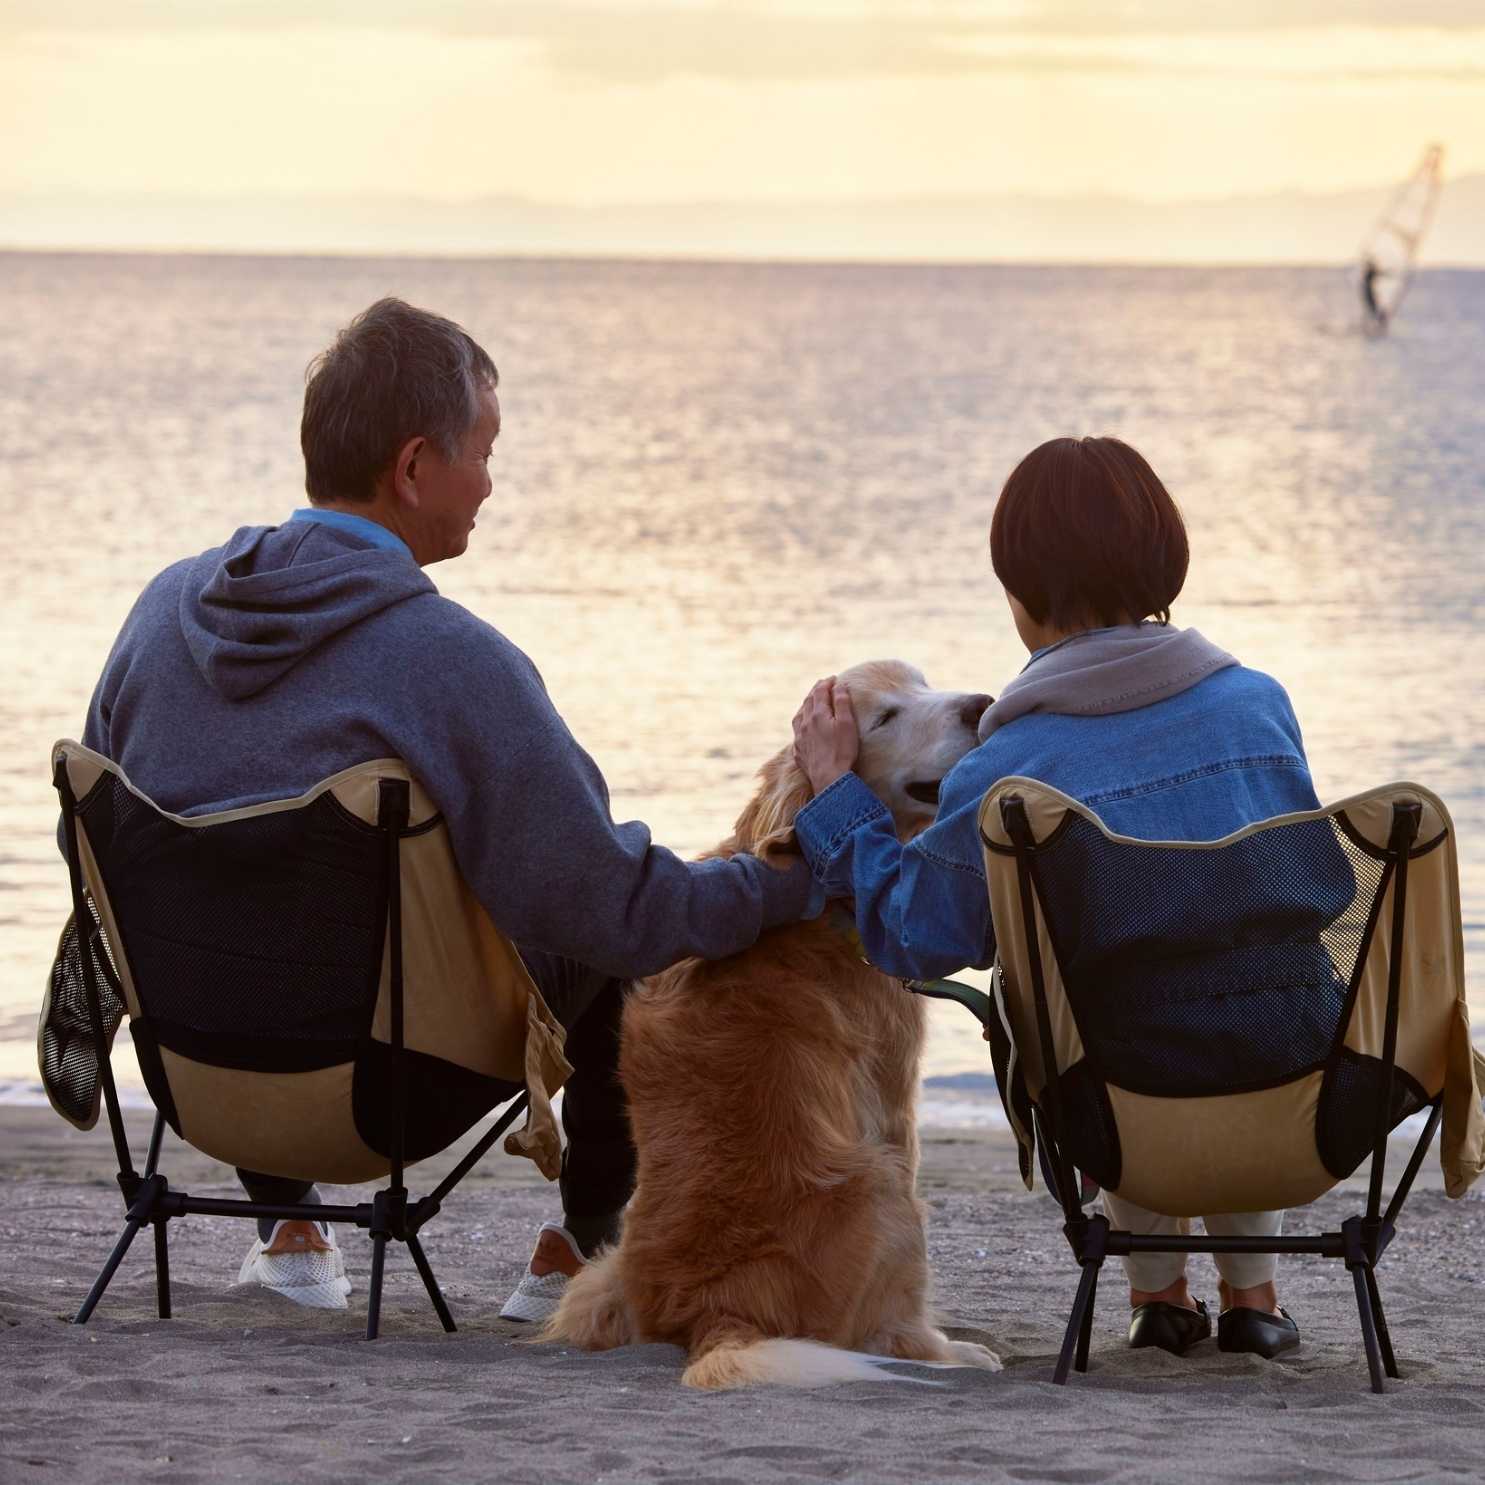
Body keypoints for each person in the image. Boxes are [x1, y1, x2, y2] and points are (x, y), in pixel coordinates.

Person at [72, 297, 822, 1319]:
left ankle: (289, 1232)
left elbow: (103, 866)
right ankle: (578, 1249)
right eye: (484, 450)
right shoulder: (450, 662)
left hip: (196, 1079)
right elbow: (619, 910)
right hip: (382, 1095)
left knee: (231, 874)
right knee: (607, 923)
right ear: (415, 467)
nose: (491, 482)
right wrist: (789, 873)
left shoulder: (161, 611)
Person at [790, 435, 1320, 1361]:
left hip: (1119, 1110)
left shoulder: (1008, 765)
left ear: (1019, 593)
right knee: (1232, 963)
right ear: (1168, 560)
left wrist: (837, 794)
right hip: (1308, 1095)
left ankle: (1158, 1295)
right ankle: (1254, 1297)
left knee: (1113, 993)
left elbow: (912, 937)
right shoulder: (1259, 704)